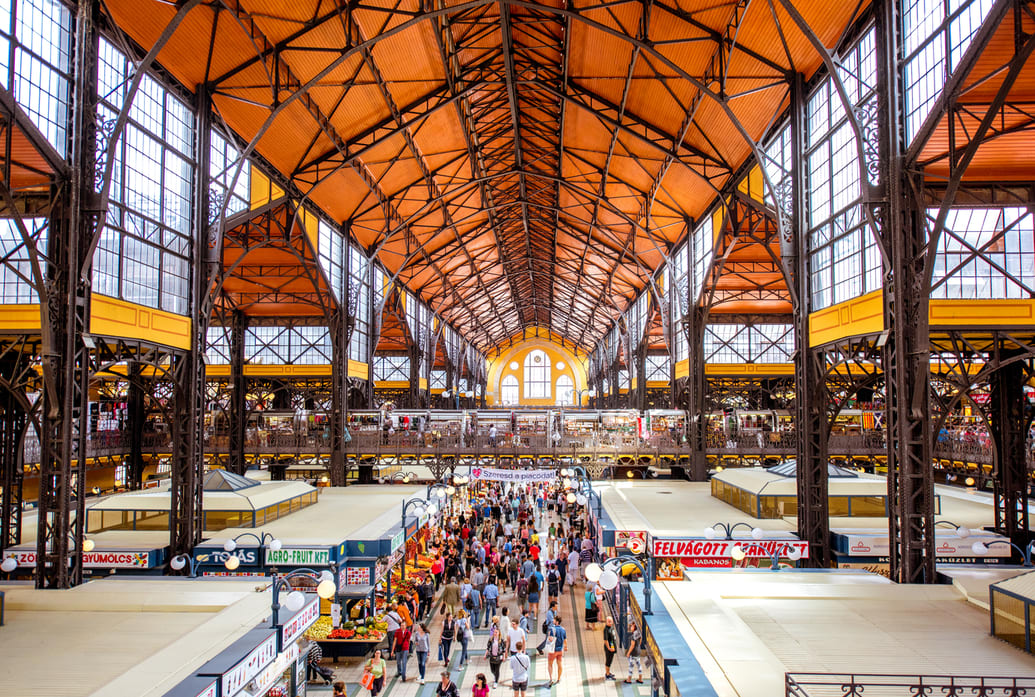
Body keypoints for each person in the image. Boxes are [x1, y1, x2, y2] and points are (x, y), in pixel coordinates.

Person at [544, 615, 567, 686]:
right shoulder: (563, 629)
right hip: (560, 650)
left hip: (553, 651)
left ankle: (551, 679)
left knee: (550, 664)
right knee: (559, 664)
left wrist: (548, 636)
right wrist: (565, 647)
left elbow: (550, 639)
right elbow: (565, 640)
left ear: (557, 622)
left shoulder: (552, 629)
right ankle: (559, 678)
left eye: (554, 620)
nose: (553, 621)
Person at [603, 616, 618, 680]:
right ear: (606, 622)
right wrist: (609, 648)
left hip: (612, 646)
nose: (610, 623)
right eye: (609, 621)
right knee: (608, 660)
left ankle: (608, 672)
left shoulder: (611, 627)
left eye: (611, 621)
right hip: (609, 648)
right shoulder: (606, 629)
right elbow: (605, 640)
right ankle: (607, 674)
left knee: (610, 660)